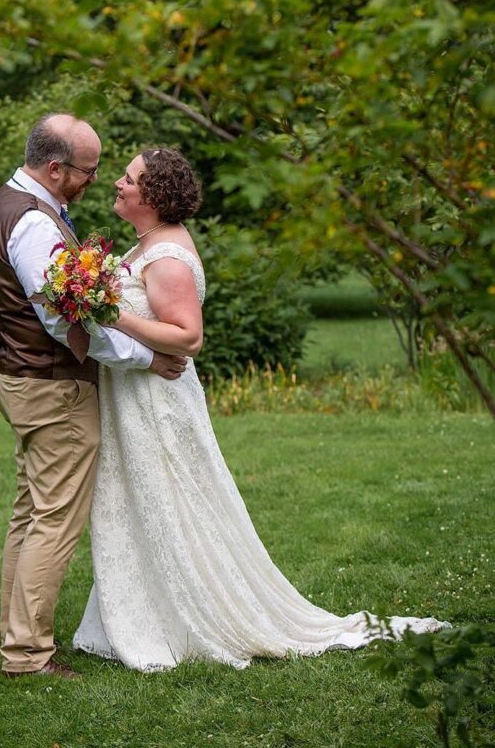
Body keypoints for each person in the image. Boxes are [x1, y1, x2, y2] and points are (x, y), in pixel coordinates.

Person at [73, 147, 448, 671]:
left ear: (153, 195)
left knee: (171, 496)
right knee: (143, 499)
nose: (117, 183)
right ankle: (147, 609)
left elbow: (188, 337)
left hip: (157, 401)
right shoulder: (148, 244)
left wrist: (110, 312)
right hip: (135, 395)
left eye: (129, 178)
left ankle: (190, 615)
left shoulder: (166, 256)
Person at [0, 115, 186, 679]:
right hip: (50, 387)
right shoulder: (35, 226)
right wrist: (146, 358)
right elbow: (63, 320)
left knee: (30, 514)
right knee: (52, 520)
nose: (96, 181)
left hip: (22, 377)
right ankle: (26, 655)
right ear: (55, 168)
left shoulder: (10, 202)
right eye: (89, 171)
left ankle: (17, 636)